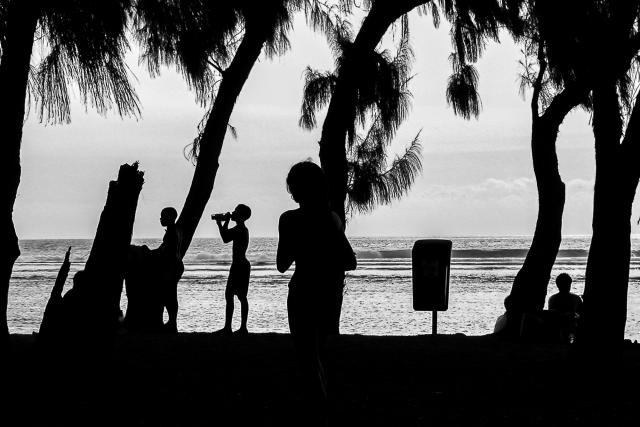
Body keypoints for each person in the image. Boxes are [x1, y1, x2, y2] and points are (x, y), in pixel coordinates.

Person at [276, 161, 357, 421]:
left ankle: (317, 407)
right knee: (321, 353)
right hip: (328, 292)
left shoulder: (289, 219)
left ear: (296, 189)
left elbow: (281, 264)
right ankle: (323, 405)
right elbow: (349, 261)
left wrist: (300, 245)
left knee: (306, 355)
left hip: (302, 291)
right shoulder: (331, 218)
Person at [214, 204, 252, 335]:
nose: (233, 212)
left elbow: (225, 238)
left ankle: (237, 328)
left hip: (239, 265)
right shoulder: (241, 228)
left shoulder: (240, 229)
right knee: (233, 295)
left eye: (236, 211)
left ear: (241, 215)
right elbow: (227, 237)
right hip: (239, 265)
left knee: (238, 296)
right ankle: (232, 327)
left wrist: (222, 224)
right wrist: (223, 223)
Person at [157, 207, 184, 333]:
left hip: (172, 266)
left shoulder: (172, 232)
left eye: (163, 216)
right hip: (177, 265)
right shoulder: (176, 230)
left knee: (169, 294)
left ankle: (172, 323)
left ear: (170, 218)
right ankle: (171, 322)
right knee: (170, 294)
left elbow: (167, 250)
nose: (161, 219)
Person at [548, 273, 583, 342]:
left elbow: (551, 314)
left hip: (559, 326)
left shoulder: (552, 298)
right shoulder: (576, 298)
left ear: (557, 285)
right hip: (569, 326)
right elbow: (580, 314)